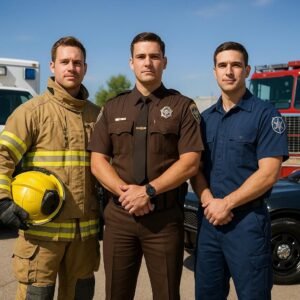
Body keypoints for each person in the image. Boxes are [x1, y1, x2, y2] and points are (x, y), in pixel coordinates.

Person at [89, 32, 203, 300]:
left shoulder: (182, 106)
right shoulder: (113, 106)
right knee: (116, 294)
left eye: (154, 56)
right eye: (141, 57)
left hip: (163, 221)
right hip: (119, 219)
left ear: (165, 61)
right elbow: (97, 161)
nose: (147, 62)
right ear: (131, 63)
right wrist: (128, 195)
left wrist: (148, 191)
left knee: (167, 295)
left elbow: (190, 162)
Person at [0, 36, 101, 299]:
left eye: (77, 62)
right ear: (52, 66)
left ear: (85, 68)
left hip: (84, 238)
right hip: (40, 237)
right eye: (65, 61)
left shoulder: (98, 116)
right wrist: (2, 201)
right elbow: (2, 156)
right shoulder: (31, 112)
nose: (71, 67)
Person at [190, 41, 289, 300]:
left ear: (247, 70)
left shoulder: (266, 115)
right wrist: (209, 201)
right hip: (210, 223)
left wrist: (227, 203)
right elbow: (195, 169)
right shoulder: (205, 119)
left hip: (247, 224)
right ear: (214, 71)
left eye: (236, 65)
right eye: (222, 65)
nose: (229, 71)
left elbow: (269, 173)